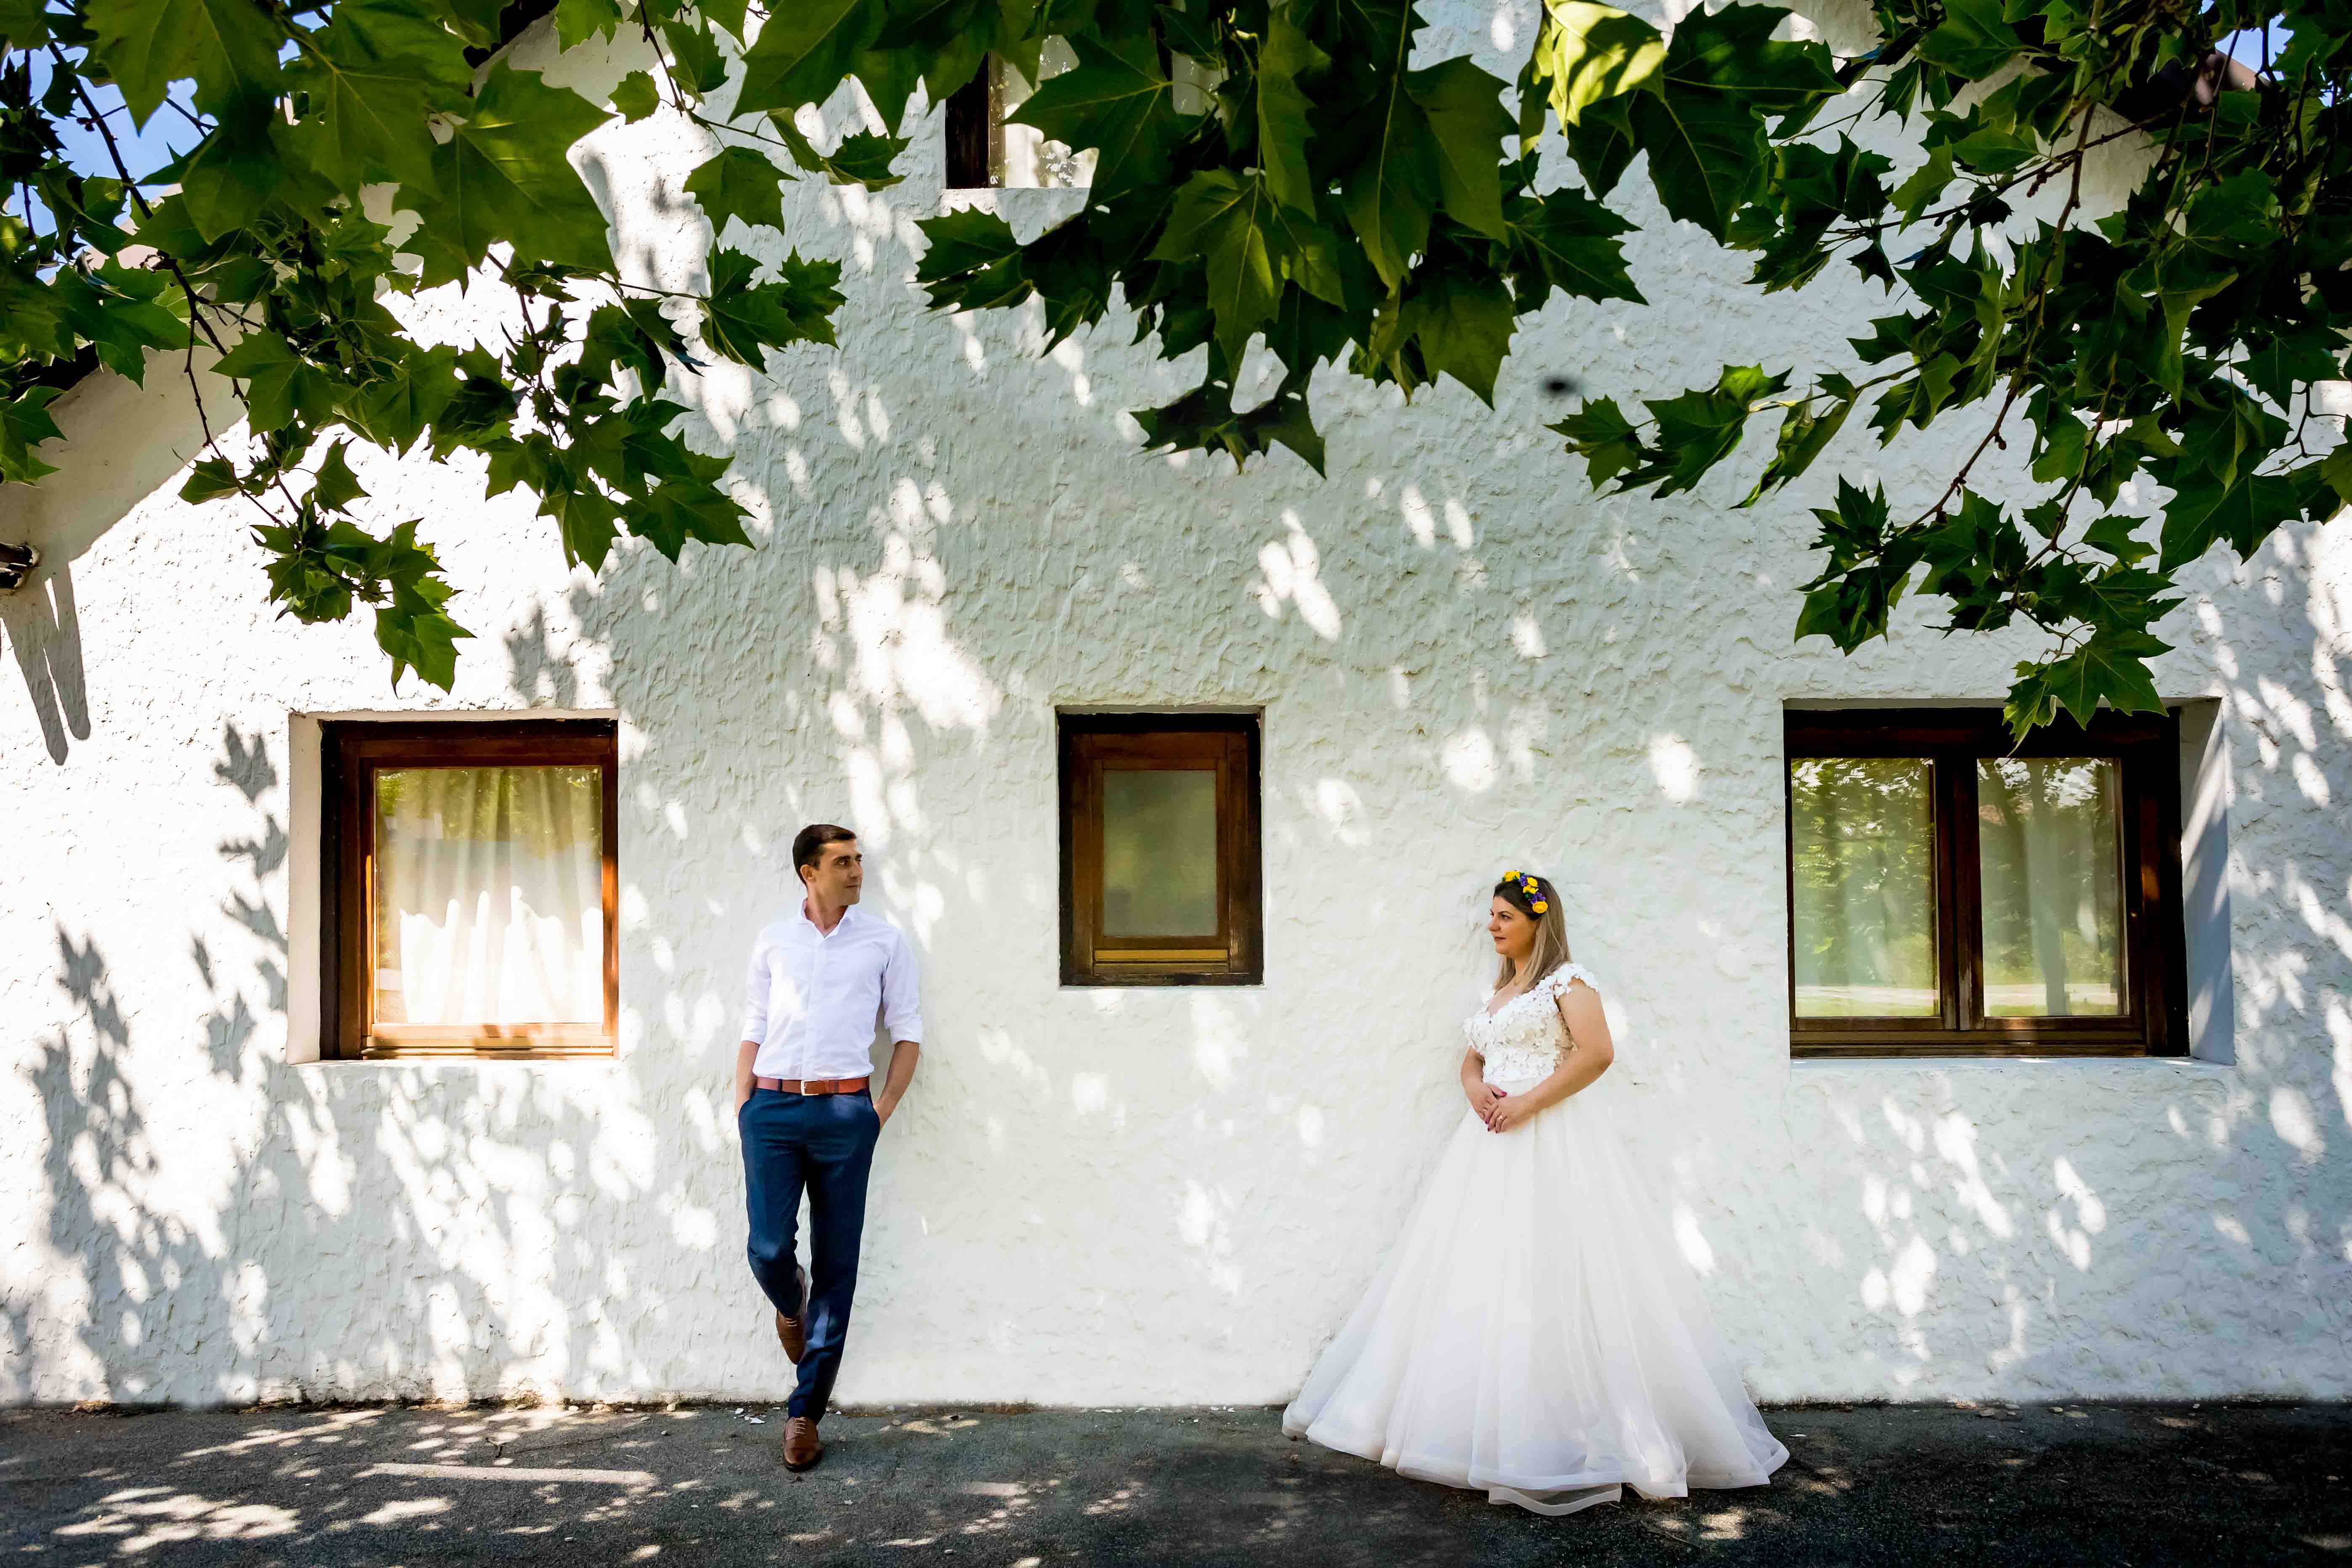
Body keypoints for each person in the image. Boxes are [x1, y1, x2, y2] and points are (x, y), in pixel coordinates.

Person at [1282, 870, 1788, 1515]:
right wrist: (1477, 1092)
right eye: (1490, 915)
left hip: (1553, 1143)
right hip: (1489, 1147)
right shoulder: (1500, 992)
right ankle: (1479, 1422)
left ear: (1537, 922)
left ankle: (1573, 1429)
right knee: (1483, 1272)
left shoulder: (1567, 982)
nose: (1491, 925)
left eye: (1504, 917)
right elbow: (1472, 1059)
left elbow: (1597, 1054)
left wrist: (1526, 1105)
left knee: (1559, 1271)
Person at [737, 824, 923, 1471]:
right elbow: (754, 1027)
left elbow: (908, 1033)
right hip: (774, 1108)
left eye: (859, 861)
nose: (856, 871)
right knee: (767, 1247)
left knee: (838, 1265)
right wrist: (746, 1105)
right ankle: (791, 1303)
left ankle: (803, 1415)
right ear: (808, 874)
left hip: (847, 1111)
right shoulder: (774, 940)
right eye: (842, 862)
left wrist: (879, 1112)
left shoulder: (884, 941)